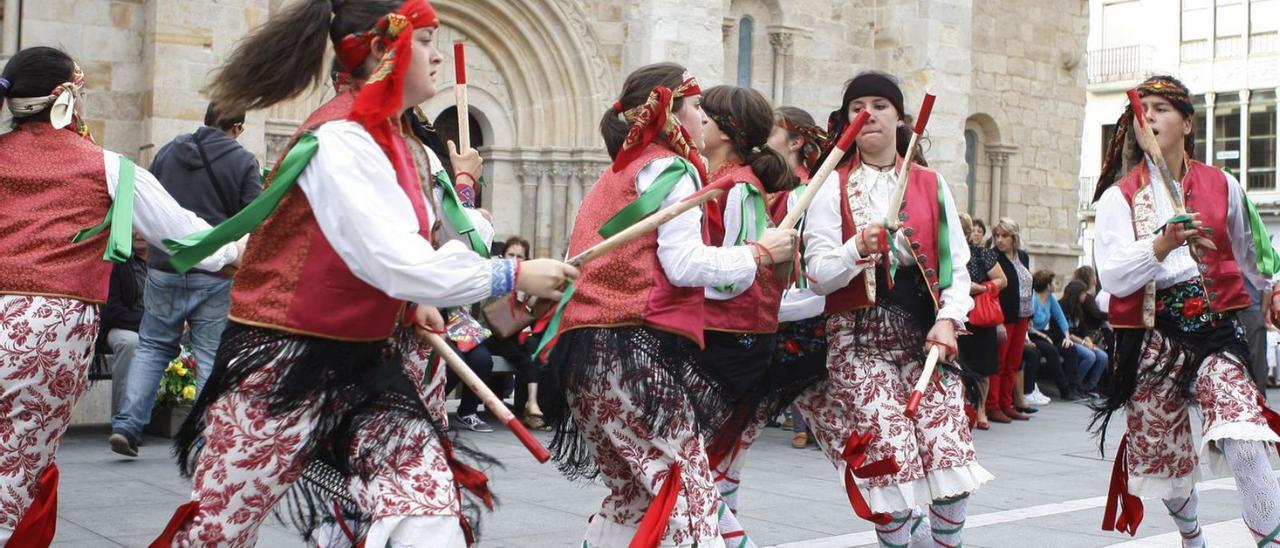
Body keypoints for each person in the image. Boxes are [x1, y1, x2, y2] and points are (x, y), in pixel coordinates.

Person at [145, 1, 577, 546]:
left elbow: (388, 255)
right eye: (425, 42)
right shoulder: (342, 139)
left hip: (368, 368)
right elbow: (395, 263)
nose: (437, 56)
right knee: (217, 532)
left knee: (429, 514)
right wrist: (509, 276)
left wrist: (407, 302)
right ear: (382, 49)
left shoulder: (395, 141)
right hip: (284, 365)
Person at [542, 62, 796, 547]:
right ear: (671, 114)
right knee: (693, 500)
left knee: (631, 500)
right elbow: (683, 264)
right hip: (629, 352)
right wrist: (761, 254)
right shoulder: (669, 167)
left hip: (583, 357)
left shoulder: (617, 174)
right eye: (698, 107)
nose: (705, 118)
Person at [0, 46, 242, 545]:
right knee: (17, 469)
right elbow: (185, 239)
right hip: (48, 331)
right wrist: (244, 246)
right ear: (67, 96)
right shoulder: (107, 167)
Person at [798, 71, 985, 548]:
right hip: (857, 342)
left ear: (901, 119)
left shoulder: (931, 182)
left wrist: (948, 320)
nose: (869, 113)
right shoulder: (828, 187)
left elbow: (957, 269)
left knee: (950, 452)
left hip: (924, 338)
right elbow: (818, 274)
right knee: (890, 458)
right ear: (846, 121)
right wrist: (855, 247)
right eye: (858, 105)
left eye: (880, 104)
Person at [1091, 74, 1280, 546]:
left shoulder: (1222, 185)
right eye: (1143, 110)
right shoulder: (1119, 198)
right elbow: (1113, 276)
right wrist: (1162, 243)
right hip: (1152, 335)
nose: (1149, 117)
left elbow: (1253, 254)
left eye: (1161, 108)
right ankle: (1192, 536)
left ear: (1188, 123)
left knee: (1243, 431)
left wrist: (1274, 287)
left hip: (1215, 329)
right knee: (1165, 461)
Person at [108, 103, 263, 457]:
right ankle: (207, 436)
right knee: (209, 353)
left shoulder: (169, 151)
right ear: (237, 126)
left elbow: (148, 200)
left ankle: (128, 426)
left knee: (152, 346)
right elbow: (255, 219)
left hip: (165, 266)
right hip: (216, 271)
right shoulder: (243, 161)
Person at [695, 86, 796, 532]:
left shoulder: (738, 189)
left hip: (730, 337)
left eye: (704, 113)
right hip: (720, 333)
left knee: (689, 464)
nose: (695, 120)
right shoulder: (718, 181)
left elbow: (737, 272)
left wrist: (680, 281)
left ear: (726, 131)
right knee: (701, 461)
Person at [765, 105, 829, 451]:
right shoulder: (772, 187)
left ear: (795, 142)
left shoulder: (808, 194)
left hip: (800, 313)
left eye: (771, 132)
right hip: (774, 311)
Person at [481, 236, 548, 431]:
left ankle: (532, 403)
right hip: (491, 334)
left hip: (513, 335)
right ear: (503, 256)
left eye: (520, 257)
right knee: (525, 350)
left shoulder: (530, 284)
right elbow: (489, 312)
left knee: (532, 348)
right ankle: (531, 406)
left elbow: (534, 313)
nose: (515, 260)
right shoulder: (494, 275)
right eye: (511, 255)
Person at [957, 213, 1007, 430]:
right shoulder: (944, 254)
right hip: (956, 315)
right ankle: (960, 408)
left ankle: (981, 410)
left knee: (983, 368)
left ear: (966, 233)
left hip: (979, 316)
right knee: (957, 366)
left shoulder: (981, 254)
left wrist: (982, 288)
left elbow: (1002, 280)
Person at [989, 218, 1038, 419]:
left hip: (1023, 316)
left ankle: (1007, 402)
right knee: (999, 361)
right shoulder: (993, 257)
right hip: (1005, 316)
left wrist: (1031, 317)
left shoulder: (1023, 256)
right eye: (997, 236)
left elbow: (1027, 285)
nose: (1000, 240)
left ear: (1014, 237)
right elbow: (993, 292)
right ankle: (993, 405)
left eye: (1005, 236)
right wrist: (998, 321)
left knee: (1014, 362)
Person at [101, 238, 149, 415]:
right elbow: (112, 311)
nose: (138, 233)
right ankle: (124, 419)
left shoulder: (163, 264)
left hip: (155, 330)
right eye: (134, 227)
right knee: (130, 342)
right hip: (122, 327)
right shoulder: (118, 263)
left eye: (144, 227)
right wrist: (148, 324)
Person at [1028, 270, 1087, 402]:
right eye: (1054, 282)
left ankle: (1073, 387)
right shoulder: (1033, 299)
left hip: (1045, 334)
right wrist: (1042, 336)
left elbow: (1061, 318)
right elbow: (1027, 324)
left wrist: (1067, 337)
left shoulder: (1050, 299)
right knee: (1052, 351)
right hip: (1032, 335)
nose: (1056, 284)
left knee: (1070, 349)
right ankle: (1064, 390)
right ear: (1048, 286)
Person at [1061, 279, 1108, 397]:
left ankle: (1090, 387)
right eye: (1083, 294)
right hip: (1067, 340)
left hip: (1079, 339)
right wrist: (1083, 342)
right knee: (1090, 356)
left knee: (1102, 356)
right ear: (1077, 294)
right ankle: (1075, 384)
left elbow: (1083, 328)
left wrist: (1087, 338)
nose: (1085, 296)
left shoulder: (1079, 307)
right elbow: (1065, 331)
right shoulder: (1062, 306)